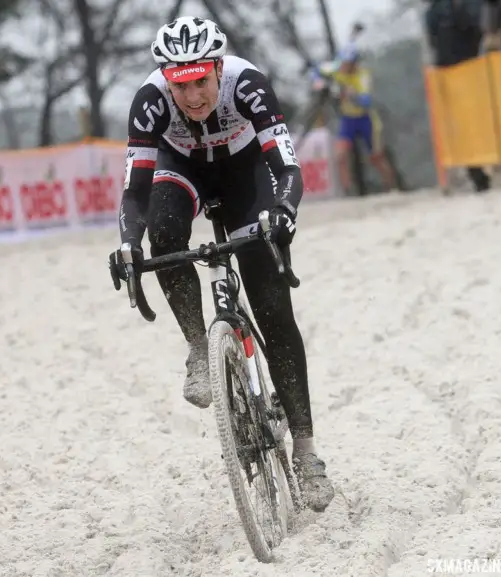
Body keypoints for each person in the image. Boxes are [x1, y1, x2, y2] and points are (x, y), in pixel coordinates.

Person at [108, 16, 335, 512]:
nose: (192, 96)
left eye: (201, 82)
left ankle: (306, 449)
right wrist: (128, 243)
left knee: (273, 308)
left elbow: (288, 168)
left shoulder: (247, 84)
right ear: (168, 80)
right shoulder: (149, 101)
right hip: (181, 168)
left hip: (244, 174)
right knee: (164, 233)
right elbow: (134, 192)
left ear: (218, 68)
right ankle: (197, 348)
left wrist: (284, 212)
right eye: (181, 85)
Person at [315, 43, 398, 195]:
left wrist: (351, 95)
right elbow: (316, 70)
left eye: (348, 63)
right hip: (348, 120)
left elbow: (365, 101)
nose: (344, 67)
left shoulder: (363, 75)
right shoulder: (337, 69)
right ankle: (347, 191)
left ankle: (391, 188)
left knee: (376, 157)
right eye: (343, 63)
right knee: (340, 155)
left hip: (366, 119)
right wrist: (319, 82)